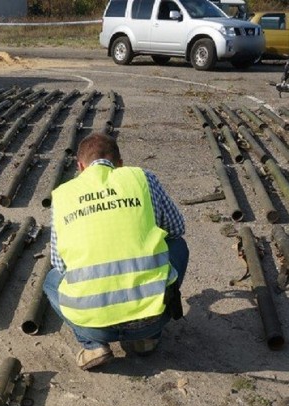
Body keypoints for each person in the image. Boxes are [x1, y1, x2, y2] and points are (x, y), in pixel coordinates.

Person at [44, 132, 189, 370]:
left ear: (80, 167)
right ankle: (145, 339)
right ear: (120, 163)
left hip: (92, 323)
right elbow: (177, 228)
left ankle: (92, 345)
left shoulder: (63, 195)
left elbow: (60, 264)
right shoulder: (142, 178)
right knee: (177, 245)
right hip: (150, 319)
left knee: (51, 280)